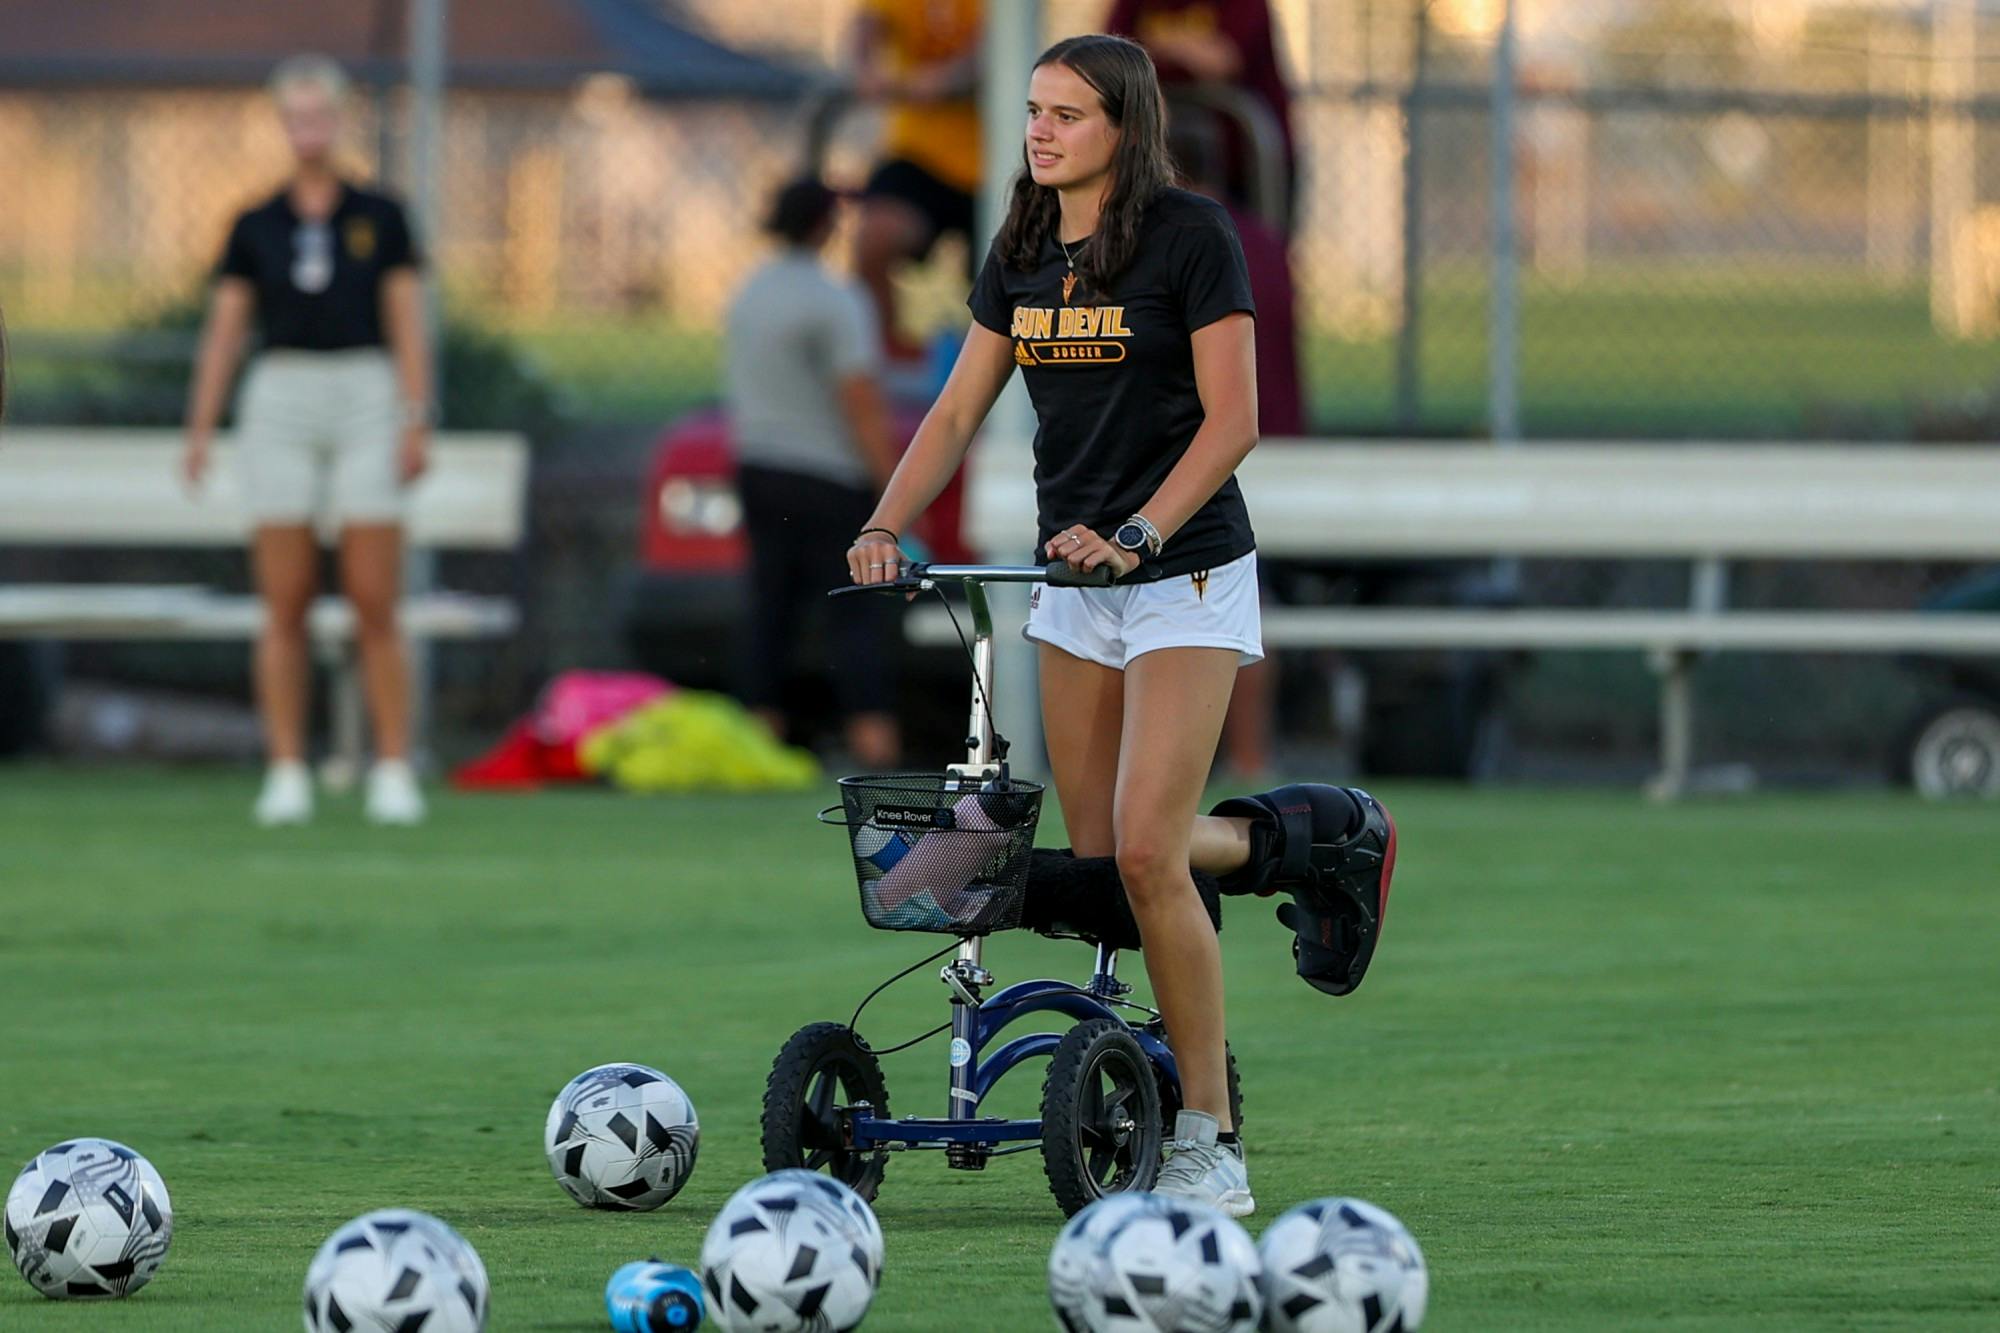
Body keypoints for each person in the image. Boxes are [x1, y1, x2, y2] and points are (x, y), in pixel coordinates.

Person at [848, 34, 1395, 1217]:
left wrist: (1139, 533)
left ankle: (1211, 1135)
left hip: (1182, 576)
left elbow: (1233, 421)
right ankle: (1306, 843)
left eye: (1067, 114)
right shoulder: (1021, 244)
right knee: (1111, 867)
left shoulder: (1190, 236)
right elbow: (955, 411)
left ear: (1124, 127)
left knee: (1146, 855)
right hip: (1073, 589)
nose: (1039, 132)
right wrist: (886, 520)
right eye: (1033, 111)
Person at [182, 55, 433, 827]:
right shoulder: (255, 224)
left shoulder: (381, 216)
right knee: (284, 600)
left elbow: (406, 321)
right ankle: (287, 768)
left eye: (320, 114)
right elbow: (226, 333)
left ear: (340, 119)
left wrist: (414, 415)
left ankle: (393, 766)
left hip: (364, 393)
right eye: (295, 117)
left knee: (373, 596)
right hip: (282, 395)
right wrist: (201, 426)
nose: (309, 130)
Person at [725, 179, 903, 767]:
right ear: (825, 225)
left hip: (758, 466)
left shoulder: (750, 293)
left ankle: (758, 743)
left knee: (769, 609)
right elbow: (860, 399)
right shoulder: (836, 300)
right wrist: (892, 486)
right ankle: (874, 744)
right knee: (856, 611)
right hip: (827, 474)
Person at [849, 0, 984, 358]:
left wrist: (947, 79)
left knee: (1004, 273)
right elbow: (864, 30)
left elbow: (995, 52)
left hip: (997, 161)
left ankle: (990, 365)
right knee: (875, 237)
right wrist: (866, 70)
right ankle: (890, 356)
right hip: (921, 156)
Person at [1107, 0, 1298, 231]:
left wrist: (1157, 48)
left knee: (1243, 243)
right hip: (1170, 162)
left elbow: (1221, 60)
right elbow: (1111, 60)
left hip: (1247, 166)